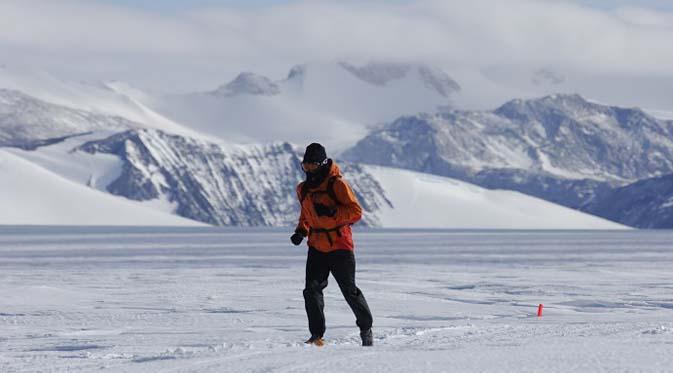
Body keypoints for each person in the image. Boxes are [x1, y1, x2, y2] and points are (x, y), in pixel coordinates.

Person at [290, 143, 374, 347]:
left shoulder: (337, 184)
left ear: (322, 163)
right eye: (305, 166)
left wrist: (333, 214)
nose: (308, 170)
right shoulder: (303, 189)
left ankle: (366, 327)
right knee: (311, 291)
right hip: (317, 246)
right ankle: (316, 336)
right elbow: (307, 213)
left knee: (349, 290)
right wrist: (301, 230)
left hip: (340, 246)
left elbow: (356, 212)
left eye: (311, 166)